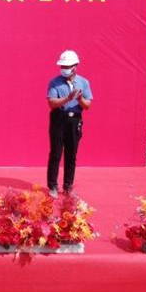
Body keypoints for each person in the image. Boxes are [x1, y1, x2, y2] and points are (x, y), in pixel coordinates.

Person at [46, 49, 93, 197]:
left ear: (75, 67)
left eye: (67, 66)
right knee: (56, 153)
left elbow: (87, 105)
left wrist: (79, 99)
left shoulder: (84, 82)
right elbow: (51, 103)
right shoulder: (55, 82)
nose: (64, 69)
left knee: (71, 154)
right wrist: (67, 98)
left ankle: (68, 186)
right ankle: (52, 186)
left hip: (74, 120)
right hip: (59, 119)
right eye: (62, 66)